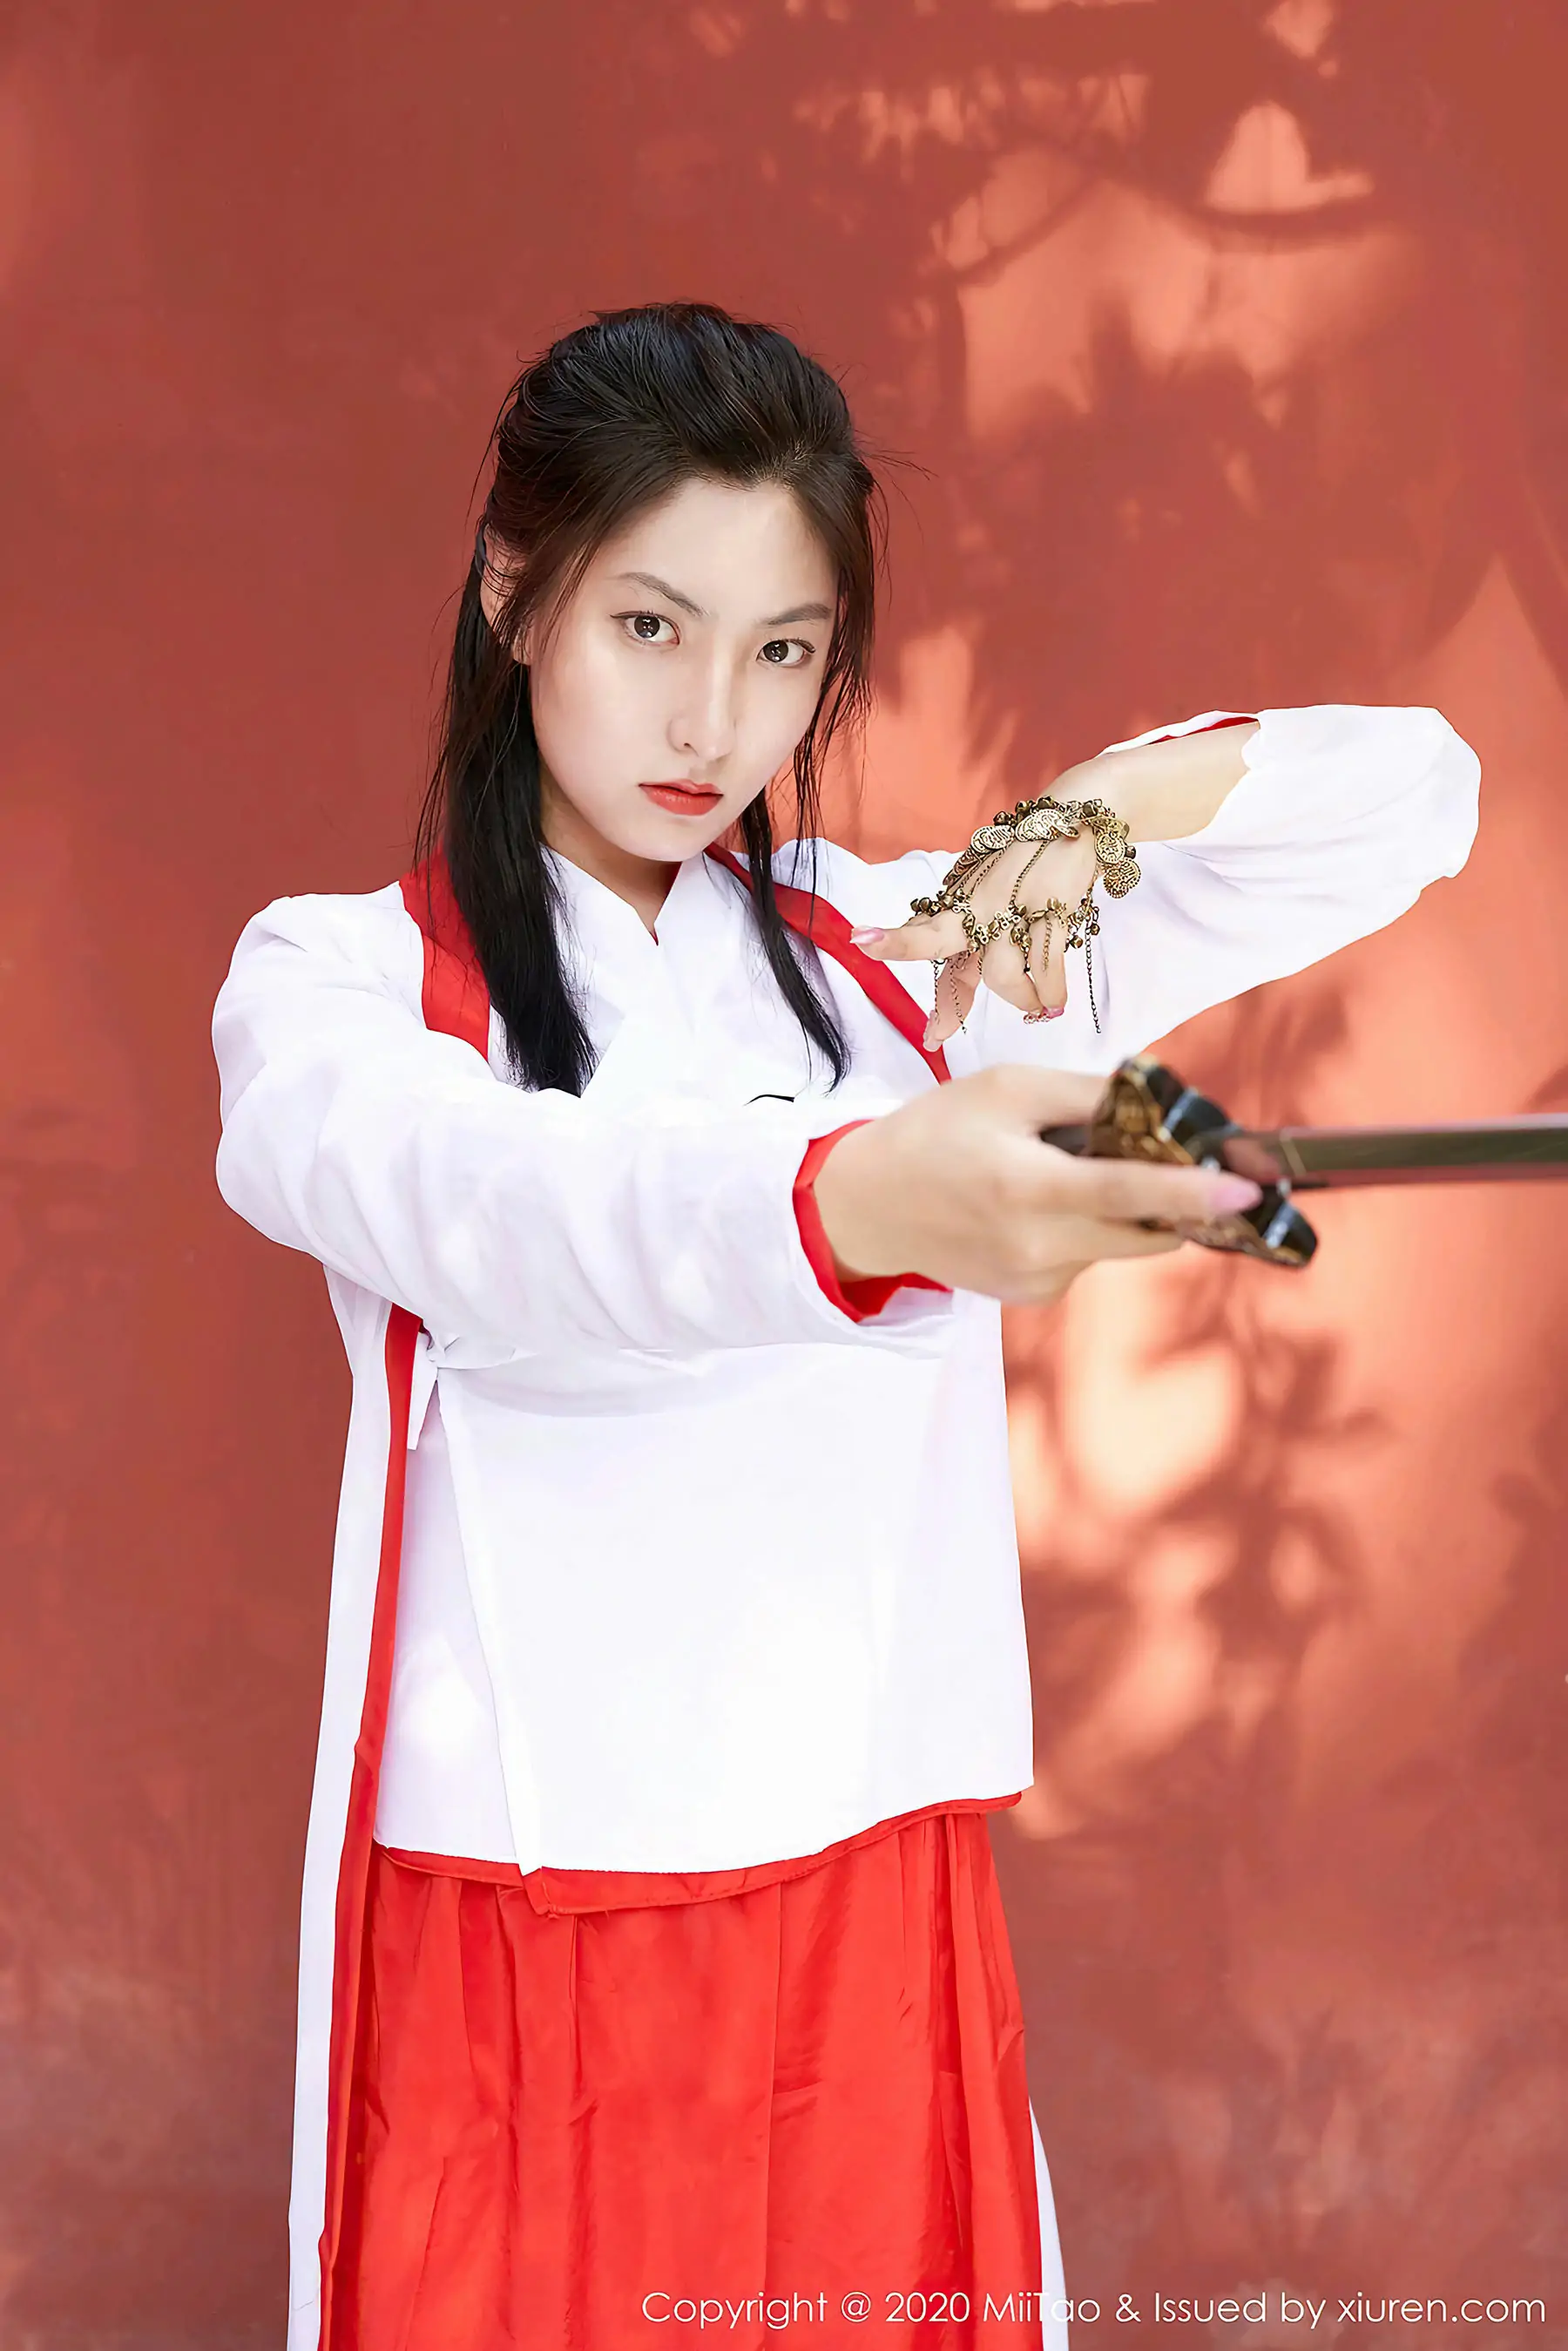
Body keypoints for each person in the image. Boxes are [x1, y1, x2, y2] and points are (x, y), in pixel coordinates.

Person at [210, 301, 1481, 2350]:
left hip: (875, 1892)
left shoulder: (913, 958)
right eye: (652, 625)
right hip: (532, 1915)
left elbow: (1416, 795)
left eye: (784, 649)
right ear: (515, 589)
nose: (712, 718)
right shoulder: (339, 986)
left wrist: (1098, 813)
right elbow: (514, 1209)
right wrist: (854, 1205)